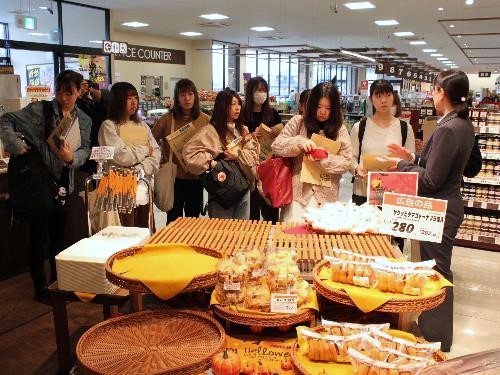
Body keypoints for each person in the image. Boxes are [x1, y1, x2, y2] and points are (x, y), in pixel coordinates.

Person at [385, 70, 475, 352]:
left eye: (433, 90)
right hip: (446, 206)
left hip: (440, 209)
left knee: (436, 271)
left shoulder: (448, 128)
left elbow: (431, 180)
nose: (431, 95)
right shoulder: (461, 123)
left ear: (440, 92)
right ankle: (433, 332)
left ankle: (436, 337)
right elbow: (436, 164)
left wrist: (400, 167)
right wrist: (411, 157)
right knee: (436, 269)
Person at [0, 70, 91, 304]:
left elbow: (85, 149)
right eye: (59, 92)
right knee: (38, 238)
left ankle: (57, 283)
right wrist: (15, 144)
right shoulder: (39, 110)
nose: (63, 98)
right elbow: (6, 119)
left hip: (64, 185)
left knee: (59, 237)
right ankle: (40, 288)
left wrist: (72, 158)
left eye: (68, 93)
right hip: (39, 184)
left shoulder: (83, 119)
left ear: (79, 92)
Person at [272, 82, 352, 222]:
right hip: (298, 197)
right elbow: (277, 145)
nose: (323, 112)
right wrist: (300, 142)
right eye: (319, 107)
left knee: (322, 241)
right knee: (294, 239)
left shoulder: (340, 130)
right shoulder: (298, 122)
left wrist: (325, 158)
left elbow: (346, 161)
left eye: (328, 108)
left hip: (327, 200)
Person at [183, 89, 259, 219]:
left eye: (239, 104)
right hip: (221, 190)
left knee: (242, 233)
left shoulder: (242, 129)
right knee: (221, 233)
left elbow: (253, 154)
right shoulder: (210, 131)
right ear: (223, 106)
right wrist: (211, 163)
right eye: (233, 104)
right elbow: (189, 153)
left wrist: (238, 155)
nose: (237, 108)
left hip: (243, 188)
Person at [98, 82, 160, 228]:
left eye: (135, 98)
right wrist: (145, 150)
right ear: (118, 101)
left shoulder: (143, 125)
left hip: (142, 188)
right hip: (119, 189)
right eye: (128, 98)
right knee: (123, 233)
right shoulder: (109, 126)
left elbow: (156, 154)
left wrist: (140, 168)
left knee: (143, 229)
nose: (134, 102)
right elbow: (121, 156)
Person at [152, 79, 209, 223]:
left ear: (195, 96)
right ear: (177, 98)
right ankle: (173, 246)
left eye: (190, 94)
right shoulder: (167, 119)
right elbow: (151, 140)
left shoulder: (205, 120)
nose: (187, 98)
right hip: (174, 178)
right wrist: (160, 160)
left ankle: (190, 246)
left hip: (196, 178)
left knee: (192, 221)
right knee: (173, 221)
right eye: (182, 95)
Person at [350, 80, 415, 206]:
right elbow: (351, 157)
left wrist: (405, 161)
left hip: (393, 192)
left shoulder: (405, 128)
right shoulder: (359, 127)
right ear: (371, 99)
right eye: (378, 96)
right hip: (364, 192)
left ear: (393, 97)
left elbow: (411, 159)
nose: (383, 101)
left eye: (388, 95)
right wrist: (357, 169)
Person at [242, 77, 283, 222]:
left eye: (264, 90)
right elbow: (235, 139)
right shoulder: (242, 113)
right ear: (250, 92)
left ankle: (271, 241)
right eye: (258, 90)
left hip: (269, 169)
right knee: (252, 212)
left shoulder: (272, 114)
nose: (261, 93)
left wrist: (280, 128)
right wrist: (250, 136)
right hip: (249, 169)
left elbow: (283, 135)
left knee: (271, 211)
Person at [77, 80, 110, 175]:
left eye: (87, 86)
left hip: (97, 147)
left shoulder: (90, 102)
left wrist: (99, 100)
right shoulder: (77, 104)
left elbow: (102, 118)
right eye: (81, 86)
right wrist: (78, 97)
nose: (85, 88)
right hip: (84, 149)